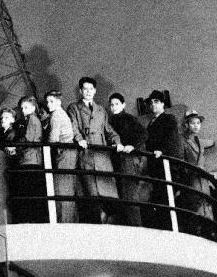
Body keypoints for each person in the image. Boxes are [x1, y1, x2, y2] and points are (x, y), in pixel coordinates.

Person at [65, 77, 121, 223]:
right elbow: (73, 126)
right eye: (85, 89)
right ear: (80, 91)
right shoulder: (74, 107)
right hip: (86, 154)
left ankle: (109, 223)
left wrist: (117, 142)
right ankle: (97, 222)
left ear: (95, 91)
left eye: (91, 89)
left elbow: (109, 130)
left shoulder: (101, 109)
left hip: (102, 156)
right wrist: (79, 139)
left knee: (108, 194)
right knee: (91, 193)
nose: (88, 92)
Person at [143, 89, 183, 230]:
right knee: (158, 200)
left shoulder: (168, 119)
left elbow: (171, 139)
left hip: (167, 166)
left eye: (156, 102)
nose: (153, 105)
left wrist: (163, 151)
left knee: (167, 199)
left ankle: (171, 230)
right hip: (155, 167)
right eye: (151, 102)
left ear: (163, 104)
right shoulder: (151, 124)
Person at [107, 92, 148, 226]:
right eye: (111, 105)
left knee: (129, 193)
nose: (114, 107)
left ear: (123, 105)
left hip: (127, 159)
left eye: (117, 104)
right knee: (119, 193)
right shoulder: (109, 120)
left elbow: (143, 134)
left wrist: (132, 146)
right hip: (115, 160)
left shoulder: (128, 118)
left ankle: (136, 226)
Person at [7, 95, 44, 223]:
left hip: (30, 159)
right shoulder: (29, 120)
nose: (23, 110)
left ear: (33, 107)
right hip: (29, 158)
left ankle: (29, 220)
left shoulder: (32, 120)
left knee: (28, 191)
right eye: (22, 108)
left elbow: (28, 139)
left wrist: (16, 149)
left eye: (26, 107)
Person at [43, 89, 77, 223]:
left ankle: (65, 223)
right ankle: (69, 221)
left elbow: (53, 138)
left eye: (51, 101)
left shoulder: (56, 116)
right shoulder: (61, 114)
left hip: (65, 153)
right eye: (47, 102)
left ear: (58, 102)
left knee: (63, 190)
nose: (48, 104)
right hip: (67, 153)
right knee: (67, 189)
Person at [179, 110, 214, 236]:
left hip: (203, 180)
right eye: (192, 123)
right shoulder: (182, 141)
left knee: (207, 206)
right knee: (196, 207)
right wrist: (191, 171)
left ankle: (210, 234)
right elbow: (181, 162)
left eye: (198, 123)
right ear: (186, 125)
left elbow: (212, 142)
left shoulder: (199, 141)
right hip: (192, 179)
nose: (196, 126)